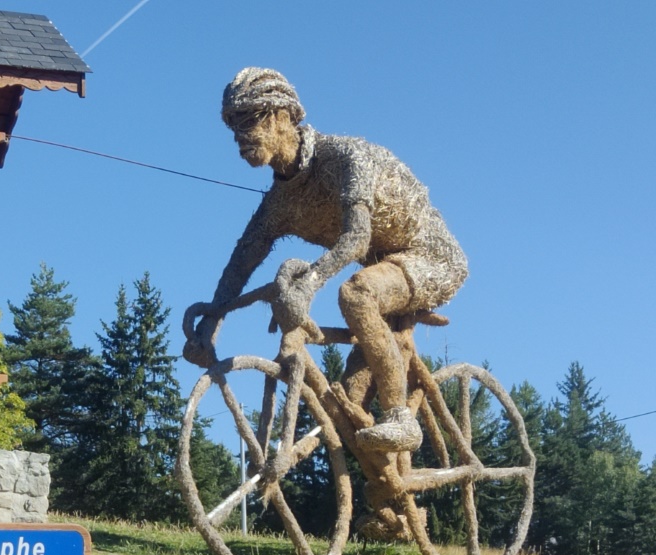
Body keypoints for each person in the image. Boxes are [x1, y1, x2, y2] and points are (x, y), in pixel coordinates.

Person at [183, 67, 469, 454]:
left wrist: (310, 283)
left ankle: (402, 418)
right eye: (234, 126)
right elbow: (242, 261)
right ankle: (386, 503)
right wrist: (211, 320)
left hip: (429, 258)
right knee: (347, 409)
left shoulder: (346, 158)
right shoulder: (281, 202)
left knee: (357, 293)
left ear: (284, 117)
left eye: (252, 120)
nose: (240, 136)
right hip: (383, 266)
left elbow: (357, 237)